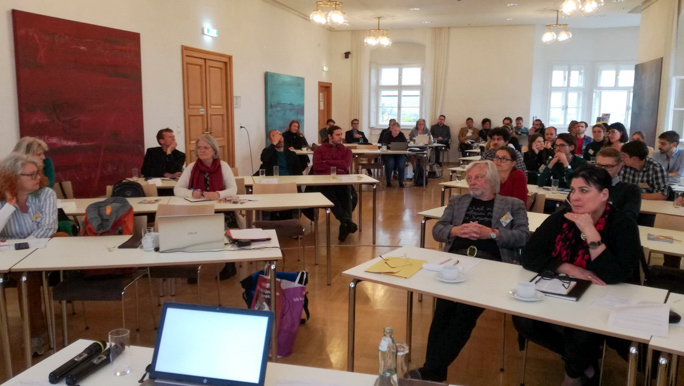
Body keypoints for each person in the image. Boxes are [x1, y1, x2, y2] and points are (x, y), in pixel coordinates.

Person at [514, 166, 641, 386]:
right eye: (572, 190)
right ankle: (584, 362)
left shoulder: (622, 224)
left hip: (602, 297)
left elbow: (615, 275)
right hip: (561, 291)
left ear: (604, 195)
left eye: (583, 191)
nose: (575, 197)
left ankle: (573, 376)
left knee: (582, 331)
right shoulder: (561, 218)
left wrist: (591, 232)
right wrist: (568, 268)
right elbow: (529, 255)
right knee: (523, 320)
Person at [411, 161, 529, 382]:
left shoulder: (513, 205)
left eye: (479, 177)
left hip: (491, 266)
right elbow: (437, 230)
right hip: (456, 262)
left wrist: (492, 234)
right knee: (442, 312)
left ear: (493, 180)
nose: (472, 182)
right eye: (470, 178)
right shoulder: (458, 201)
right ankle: (433, 372)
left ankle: (430, 372)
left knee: (464, 315)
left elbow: (523, 237)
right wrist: (457, 230)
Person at [0, 153, 57, 355]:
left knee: (27, 279)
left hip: (39, 255)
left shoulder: (46, 194)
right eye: (31, 175)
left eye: (38, 174)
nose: (38, 179)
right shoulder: (2, 199)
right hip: (7, 258)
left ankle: (36, 335)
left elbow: (47, 229)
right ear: (12, 177)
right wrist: (9, 205)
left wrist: (18, 246)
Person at [174, 134, 239, 280]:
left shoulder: (223, 166)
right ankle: (193, 266)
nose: (202, 150)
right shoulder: (191, 167)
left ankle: (230, 264)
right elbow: (178, 189)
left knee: (221, 225)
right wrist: (192, 193)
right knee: (192, 229)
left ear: (214, 150)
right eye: (199, 148)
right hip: (197, 210)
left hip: (221, 210)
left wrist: (218, 194)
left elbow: (233, 189)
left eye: (206, 147)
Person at [312, 125, 357, 241]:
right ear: (330, 136)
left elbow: (345, 166)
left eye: (341, 134)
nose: (340, 137)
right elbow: (317, 166)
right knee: (330, 194)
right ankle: (346, 221)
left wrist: (326, 162)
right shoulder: (319, 149)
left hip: (341, 180)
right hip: (323, 182)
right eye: (337, 135)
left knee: (347, 192)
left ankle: (344, 224)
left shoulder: (346, 150)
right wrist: (337, 164)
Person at [596, 148, 641, 222]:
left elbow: (629, 219)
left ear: (619, 167)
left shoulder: (631, 190)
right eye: (599, 166)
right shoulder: (588, 187)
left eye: (608, 167)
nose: (602, 170)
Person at [379, 122, 408, 187]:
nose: (396, 132)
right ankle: (388, 180)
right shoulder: (387, 134)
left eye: (398, 131)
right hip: (389, 154)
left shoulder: (401, 134)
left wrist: (391, 145)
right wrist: (390, 146)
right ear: (391, 129)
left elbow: (405, 145)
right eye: (395, 130)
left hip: (400, 154)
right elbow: (384, 144)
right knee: (390, 163)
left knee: (401, 164)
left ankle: (401, 181)